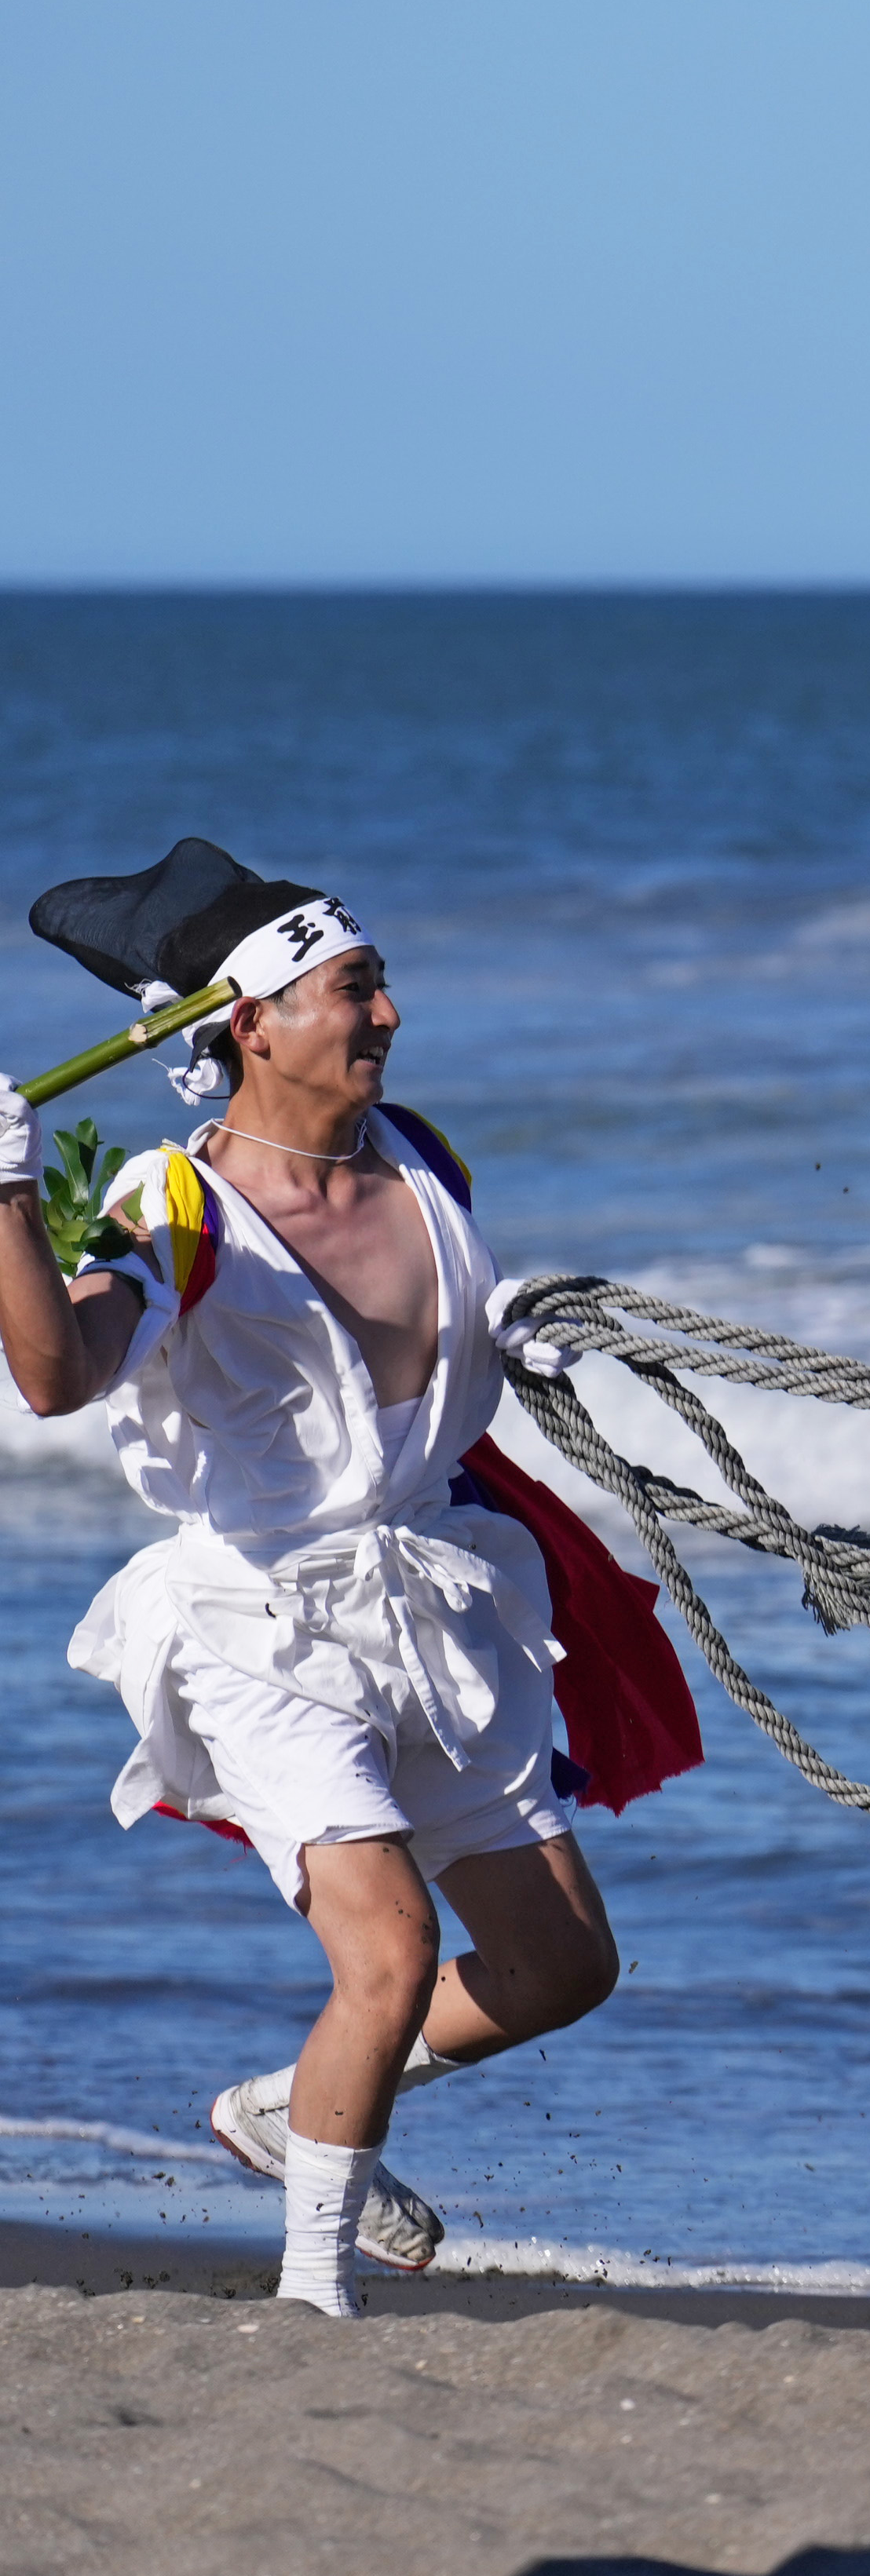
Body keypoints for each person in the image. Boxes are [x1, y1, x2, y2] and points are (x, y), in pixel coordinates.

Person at [1, 842, 622, 2315]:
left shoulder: (423, 1154)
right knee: (392, 1953)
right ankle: (312, 2300)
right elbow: (55, 1374)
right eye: (354, 988)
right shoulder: (179, 1208)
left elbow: (435, 1341)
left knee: (562, 1966)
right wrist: (7, 1203)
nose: (389, 1013)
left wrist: (513, 1327)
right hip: (263, 1627)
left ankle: (287, 2113)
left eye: (382, 983)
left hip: (432, 1610)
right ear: (251, 1025)